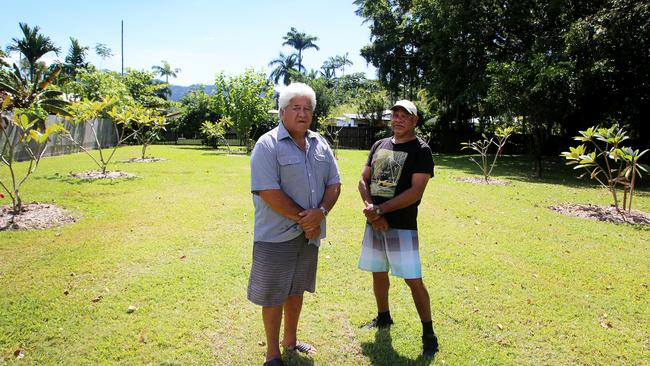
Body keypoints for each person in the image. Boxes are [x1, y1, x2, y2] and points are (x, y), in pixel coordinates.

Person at [248, 82, 341, 366]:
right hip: (276, 236)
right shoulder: (267, 145)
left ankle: (290, 340)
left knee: (296, 289)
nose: (303, 114)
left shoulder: (319, 143)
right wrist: (308, 219)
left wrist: (321, 211)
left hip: (308, 236)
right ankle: (273, 354)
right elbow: (268, 191)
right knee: (273, 293)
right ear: (282, 112)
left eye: (307, 109)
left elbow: (334, 184)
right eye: (296, 108)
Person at [357, 99, 439, 357]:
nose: (398, 119)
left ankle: (429, 334)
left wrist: (381, 211)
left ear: (415, 121)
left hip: (402, 226)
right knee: (378, 272)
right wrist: (371, 209)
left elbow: (416, 192)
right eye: (395, 114)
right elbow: (363, 179)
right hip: (375, 223)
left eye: (405, 115)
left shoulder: (421, 150)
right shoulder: (379, 145)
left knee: (413, 279)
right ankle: (383, 317)